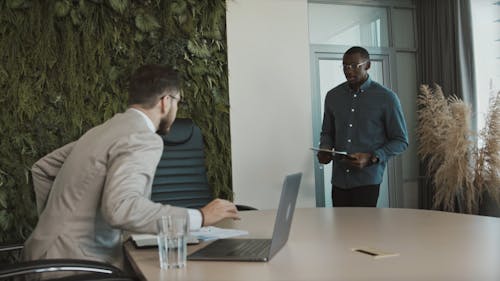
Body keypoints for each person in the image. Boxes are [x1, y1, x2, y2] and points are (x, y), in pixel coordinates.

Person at [23, 64, 240, 269]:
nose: (176, 109)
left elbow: (43, 168)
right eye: (178, 102)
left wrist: (56, 226)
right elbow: (121, 208)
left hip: (42, 256)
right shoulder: (142, 137)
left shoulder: (102, 130)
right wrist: (200, 217)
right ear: (166, 101)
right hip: (73, 267)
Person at [317, 46, 408, 207]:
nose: (348, 71)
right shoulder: (332, 96)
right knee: (340, 231)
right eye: (345, 66)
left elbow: (401, 140)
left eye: (354, 66)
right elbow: (327, 132)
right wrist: (325, 147)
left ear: (368, 65)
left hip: (367, 180)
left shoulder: (387, 98)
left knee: (364, 231)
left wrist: (372, 157)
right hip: (339, 181)